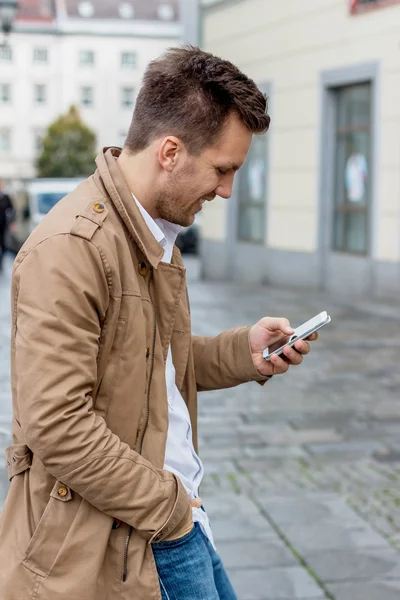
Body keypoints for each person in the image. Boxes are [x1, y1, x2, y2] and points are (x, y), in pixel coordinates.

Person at [0, 47, 317, 600]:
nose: (225, 191)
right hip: (126, 540)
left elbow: (150, 364)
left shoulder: (150, 234)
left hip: (171, 524)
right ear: (171, 151)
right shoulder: (72, 248)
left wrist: (246, 350)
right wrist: (170, 507)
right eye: (223, 169)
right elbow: (56, 424)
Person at [0, 179, 14, 272]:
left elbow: (12, 210)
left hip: (3, 226)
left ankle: (1, 264)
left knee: (4, 245)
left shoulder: (5, 197)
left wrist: (12, 222)